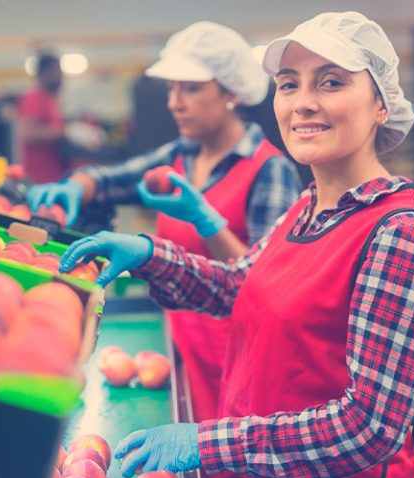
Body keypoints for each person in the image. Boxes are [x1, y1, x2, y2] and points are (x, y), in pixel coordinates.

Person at [60, 11, 414, 478]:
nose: (304, 102)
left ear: (381, 105)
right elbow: (236, 284)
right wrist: (147, 255)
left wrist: (208, 443)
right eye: (289, 84)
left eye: (331, 83)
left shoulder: (397, 237)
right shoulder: (307, 206)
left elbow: (368, 429)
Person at [29, 22, 302, 425]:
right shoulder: (180, 156)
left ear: (230, 91)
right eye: (172, 89)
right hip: (179, 340)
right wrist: (76, 185)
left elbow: (265, 285)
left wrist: (208, 223)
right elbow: (113, 180)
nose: (175, 102)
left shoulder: (269, 170)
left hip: (238, 356)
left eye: (190, 89)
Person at [17, 53, 66, 184]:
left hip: (54, 175)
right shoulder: (34, 98)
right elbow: (29, 133)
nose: (61, 76)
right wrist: (65, 132)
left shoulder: (50, 100)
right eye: (57, 71)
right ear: (45, 73)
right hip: (39, 178)